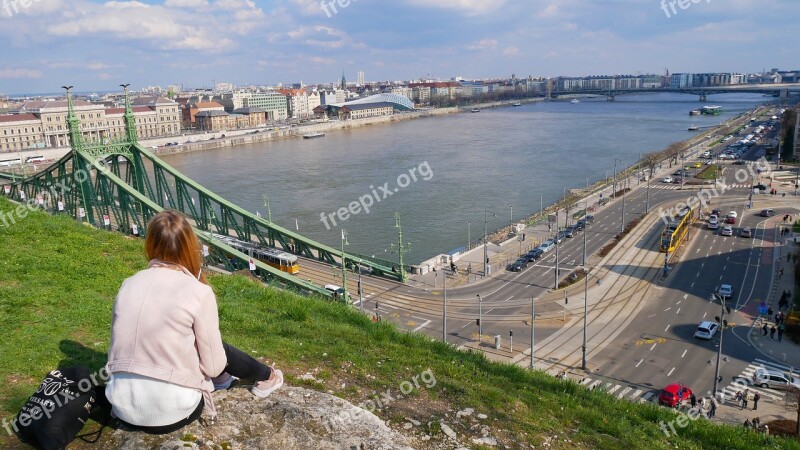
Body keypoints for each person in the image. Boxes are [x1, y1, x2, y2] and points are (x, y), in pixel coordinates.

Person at [106, 210, 284, 434]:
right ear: (190, 247)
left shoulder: (127, 285)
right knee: (217, 349)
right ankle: (269, 376)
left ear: (149, 244)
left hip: (122, 407)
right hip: (173, 412)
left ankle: (258, 375)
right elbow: (213, 366)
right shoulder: (199, 292)